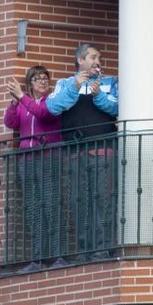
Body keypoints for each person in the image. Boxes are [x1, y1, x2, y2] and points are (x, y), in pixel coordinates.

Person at [45, 43, 119, 260]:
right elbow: (52, 108)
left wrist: (99, 97)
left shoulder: (110, 82)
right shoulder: (64, 83)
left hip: (103, 149)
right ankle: (84, 249)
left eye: (99, 58)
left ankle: (102, 247)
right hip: (75, 152)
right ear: (80, 60)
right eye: (93, 57)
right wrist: (75, 87)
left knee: (103, 199)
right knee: (79, 201)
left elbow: (117, 107)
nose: (98, 62)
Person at [3, 65, 63, 272]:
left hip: (48, 157)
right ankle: (37, 258)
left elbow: (45, 115)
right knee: (33, 208)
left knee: (51, 205)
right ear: (30, 83)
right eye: (38, 79)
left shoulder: (52, 101)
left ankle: (57, 255)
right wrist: (13, 102)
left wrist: (21, 96)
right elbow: (11, 123)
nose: (43, 82)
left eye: (46, 78)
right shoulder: (22, 104)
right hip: (27, 159)